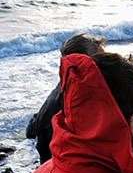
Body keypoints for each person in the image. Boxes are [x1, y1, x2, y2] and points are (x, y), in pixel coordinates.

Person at [26, 33, 106, 163]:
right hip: (65, 170)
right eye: (100, 59)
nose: (106, 63)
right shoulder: (78, 100)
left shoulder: (63, 87)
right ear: (81, 62)